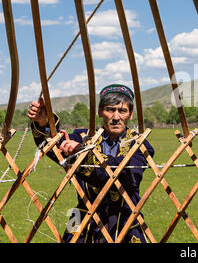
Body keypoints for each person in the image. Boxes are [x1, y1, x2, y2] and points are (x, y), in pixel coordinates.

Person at [27, 84, 154, 243]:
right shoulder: (82, 137)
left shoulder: (139, 144)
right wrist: (43, 121)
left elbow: (124, 176)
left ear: (130, 114)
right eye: (110, 110)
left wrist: (81, 153)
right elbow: (52, 145)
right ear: (100, 111)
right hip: (81, 217)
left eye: (122, 111)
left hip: (124, 218)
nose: (116, 117)